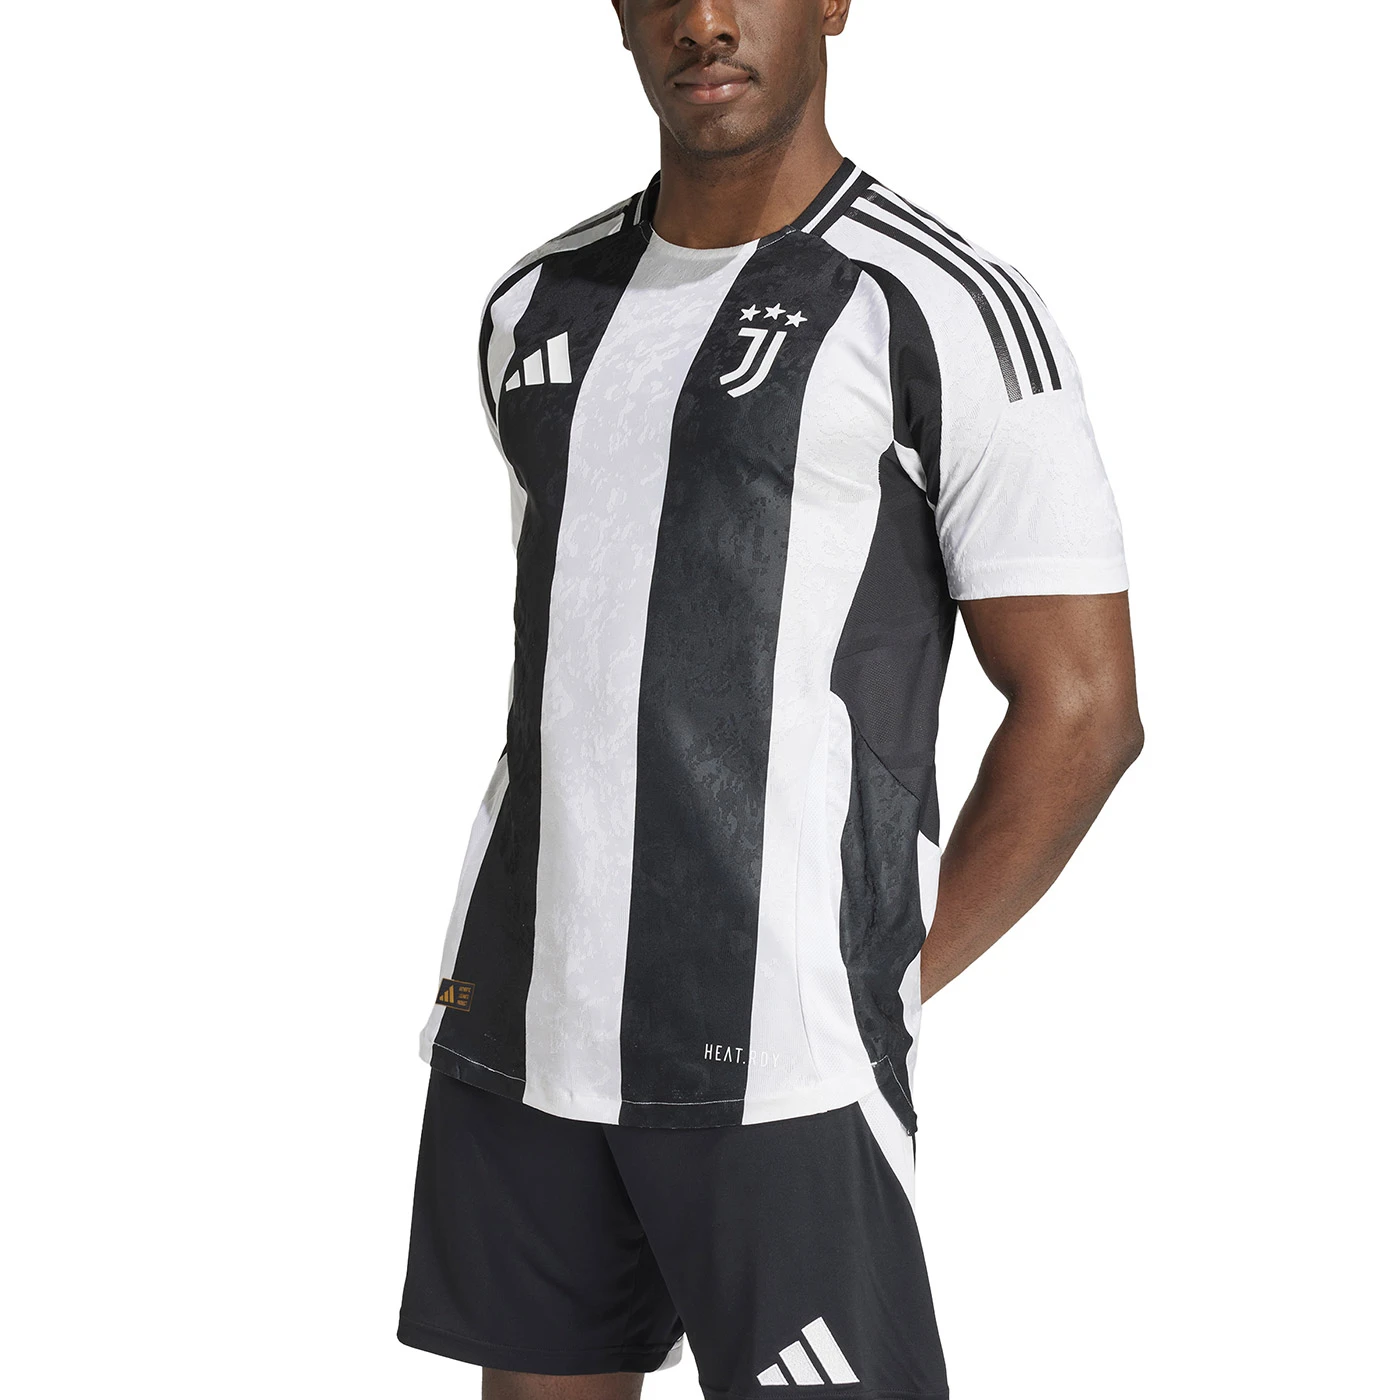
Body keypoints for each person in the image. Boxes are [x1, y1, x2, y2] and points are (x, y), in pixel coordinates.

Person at [398, 2, 1144, 1397]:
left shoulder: (937, 306)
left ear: (835, 4)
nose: (704, 19)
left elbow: (1086, 709)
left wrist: (877, 981)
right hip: (521, 1019)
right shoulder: (534, 305)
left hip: (783, 1060)